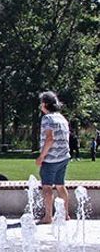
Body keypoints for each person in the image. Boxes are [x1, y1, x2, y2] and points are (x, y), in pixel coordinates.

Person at [36, 91, 71, 224]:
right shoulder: (62, 118)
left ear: (45, 104)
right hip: (63, 157)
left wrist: (41, 156)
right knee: (61, 186)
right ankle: (65, 214)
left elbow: (49, 139)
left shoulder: (47, 119)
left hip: (51, 159)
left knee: (47, 187)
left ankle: (48, 216)